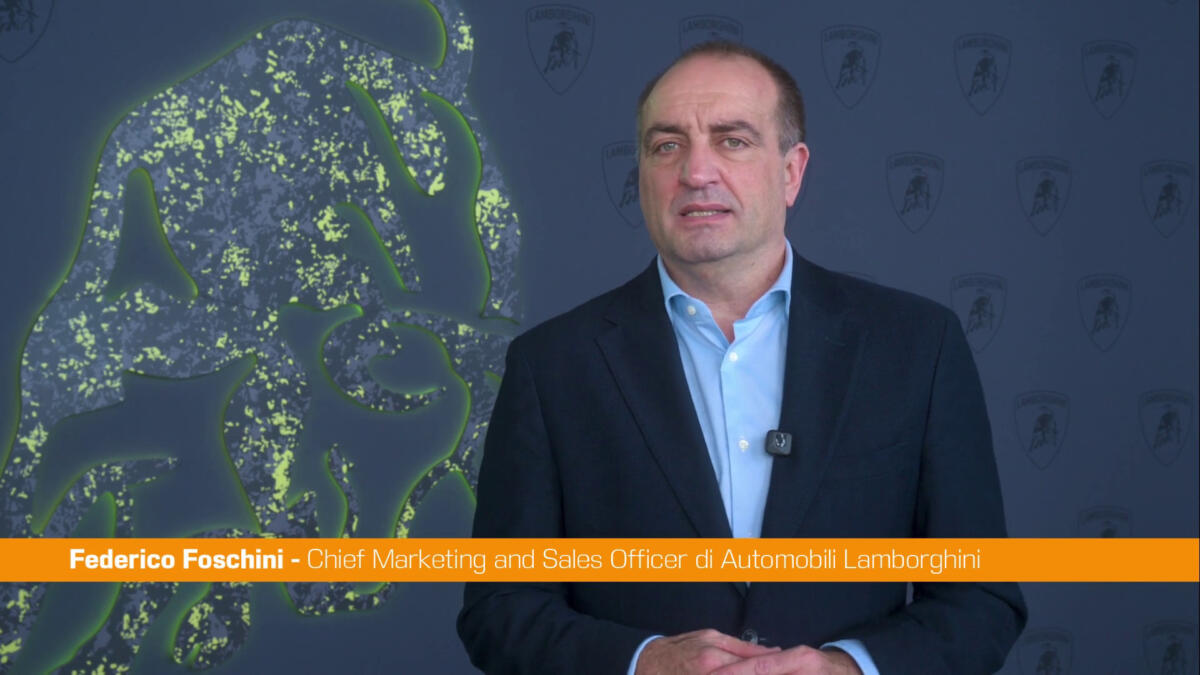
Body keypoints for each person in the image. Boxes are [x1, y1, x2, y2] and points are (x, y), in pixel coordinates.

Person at [458, 41, 1026, 674]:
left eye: (732, 141)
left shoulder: (917, 347)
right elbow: (499, 609)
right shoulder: (551, 366)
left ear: (791, 171)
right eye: (666, 145)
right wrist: (643, 663)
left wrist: (846, 669)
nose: (696, 172)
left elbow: (981, 601)